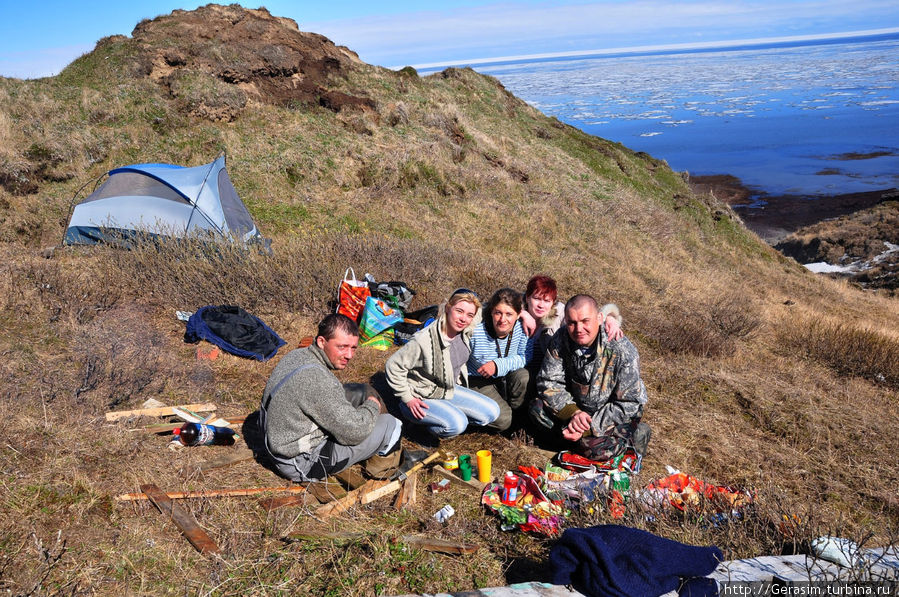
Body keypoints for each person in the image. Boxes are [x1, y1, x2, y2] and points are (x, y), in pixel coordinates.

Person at [259, 313, 403, 482]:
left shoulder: (298, 355)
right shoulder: (317, 380)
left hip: (277, 441)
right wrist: (372, 406)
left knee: (361, 390)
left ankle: (378, 444)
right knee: (392, 424)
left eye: (353, 347)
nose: (349, 355)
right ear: (322, 342)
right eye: (342, 347)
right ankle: (381, 469)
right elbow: (355, 433)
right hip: (300, 462)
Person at [531, 294, 651, 460]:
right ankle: (572, 439)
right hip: (578, 407)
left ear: (600, 318)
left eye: (585, 321)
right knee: (536, 410)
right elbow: (548, 382)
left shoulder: (622, 350)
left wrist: (588, 427)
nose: (579, 329)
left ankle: (634, 437)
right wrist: (574, 413)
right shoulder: (560, 339)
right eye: (572, 322)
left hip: (610, 414)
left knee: (592, 449)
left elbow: (629, 403)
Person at [385, 288, 500, 438]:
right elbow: (393, 366)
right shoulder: (424, 339)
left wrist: (524, 311)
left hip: (448, 389)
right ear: (447, 308)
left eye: (469, 315)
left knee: (492, 412)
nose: (463, 318)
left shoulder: (466, 329)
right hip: (421, 395)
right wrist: (408, 398)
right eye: (459, 311)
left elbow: (482, 311)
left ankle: (445, 414)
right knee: (458, 424)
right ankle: (422, 428)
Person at [466, 288, 532, 432]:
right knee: (503, 421)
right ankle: (469, 416)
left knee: (523, 377)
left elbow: (525, 356)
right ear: (491, 312)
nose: (503, 320)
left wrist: (498, 365)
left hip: (505, 375)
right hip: (477, 379)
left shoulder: (523, 328)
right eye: (498, 313)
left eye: (509, 314)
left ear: (518, 315)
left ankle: (517, 421)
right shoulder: (476, 331)